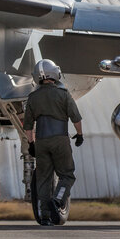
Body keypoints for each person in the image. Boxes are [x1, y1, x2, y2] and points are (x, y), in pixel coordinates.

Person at [23, 59, 84, 226]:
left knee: (43, 179)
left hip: (41, 141)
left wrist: (31, 144)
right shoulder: (63, 94)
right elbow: (76, 117)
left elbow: (28, 125)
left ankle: (44, 217)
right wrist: (79, 134)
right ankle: (58, 200)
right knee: (67, 175)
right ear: (54, 73)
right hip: (60, 140)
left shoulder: (33, 97)